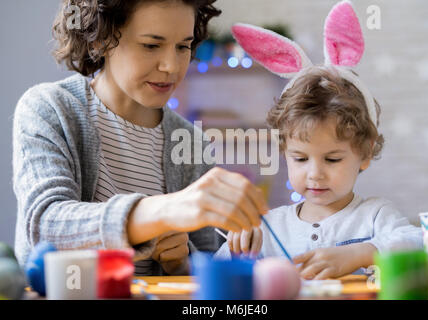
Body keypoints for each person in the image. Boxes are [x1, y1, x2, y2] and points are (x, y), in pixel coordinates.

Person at [12, 0, 267, 276]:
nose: (171, 65)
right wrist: (165, 210)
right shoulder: (51, 108)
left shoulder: (191, 142)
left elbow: (206, 261)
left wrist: (183, 260)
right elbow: (45, 226)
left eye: (183, 46)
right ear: (100, 40)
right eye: (151, 45)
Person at [215, 2, 423, 280]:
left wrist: (362, 253)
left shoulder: (375, 216)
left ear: (365, 152)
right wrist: (238, 251)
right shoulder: (268, 227)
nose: (315, 173)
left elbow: (421, 244)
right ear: (284, 151)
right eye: (300, 158)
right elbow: (214, 272)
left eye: (332, 158)